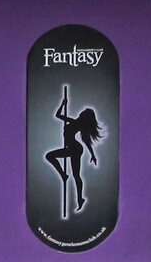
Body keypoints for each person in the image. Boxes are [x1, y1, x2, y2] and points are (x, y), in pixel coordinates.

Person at [44, 85, 106, 218]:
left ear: (84, 116)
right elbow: (58, 115)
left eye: (84, 112)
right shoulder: (73, 121)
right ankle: (64, 175)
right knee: (50, 156)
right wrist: (63, 103)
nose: (81, 111)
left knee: (76, 175)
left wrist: (93, 154)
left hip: (75, 149)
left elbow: (86, 141)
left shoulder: (79, 125)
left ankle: (79, 198)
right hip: (71, 149)